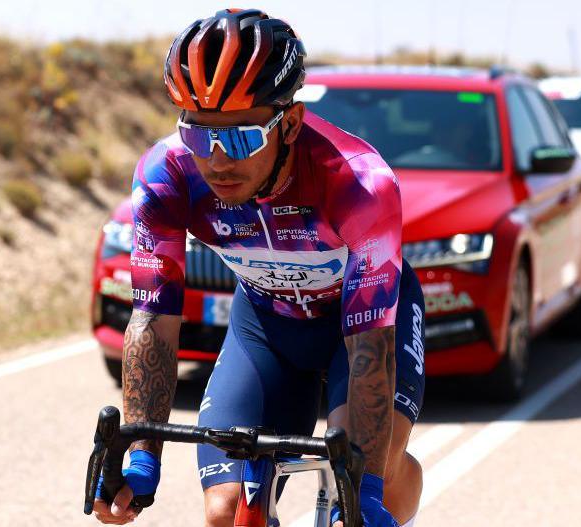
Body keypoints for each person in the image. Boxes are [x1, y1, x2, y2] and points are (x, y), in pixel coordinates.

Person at [91, 9, 425, 527]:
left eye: (242, 137)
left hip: (360, 330)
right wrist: (140, 456)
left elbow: (368, 351)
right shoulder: (165, 176)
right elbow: (153, 322)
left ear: (289, 124)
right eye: (199, 135)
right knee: (224, 512)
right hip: (266, 327)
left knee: (355, 497)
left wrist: (369, 490)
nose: (218, 160)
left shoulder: (359, 185)